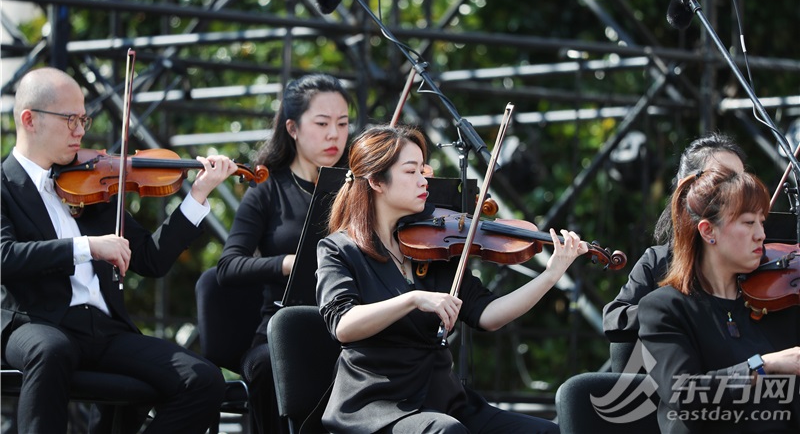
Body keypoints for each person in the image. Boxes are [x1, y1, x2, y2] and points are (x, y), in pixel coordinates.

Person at [1, 67, 238, 433]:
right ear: (30, 120)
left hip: (104, 329)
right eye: (69, 119)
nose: (80, 130)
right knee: (51, 351)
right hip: (35, 321)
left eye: (83, 118)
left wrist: (198, 195)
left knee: (203, 379)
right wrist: (86, 247)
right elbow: (6, 257)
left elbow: (151, 258)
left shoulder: (90, 179)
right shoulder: (3, 185)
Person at [314, 125, 588, 434]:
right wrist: (412, 299)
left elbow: (487, 315)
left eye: (423, 169)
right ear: (377, 181)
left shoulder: (432, 247)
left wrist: (551, 274)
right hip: (379, 406)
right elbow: (343, 325)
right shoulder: (339, 249)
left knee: (545, 432)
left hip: (445, 400)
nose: (424, 180)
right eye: (411, 171)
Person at [216, 73, 351, 434]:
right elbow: (228, 266)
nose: (334, 135)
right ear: (292, 128)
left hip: (350, 323)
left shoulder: (356, 189)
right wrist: (288, 264)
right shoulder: (266, 192)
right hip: (282, 328)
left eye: (342, 123)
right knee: (266, 367)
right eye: (322, 123)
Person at [638, 167, 800, 433]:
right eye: (749, 223)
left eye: (762, 222)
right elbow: (684, 392)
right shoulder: (665, 308)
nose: (761, 234)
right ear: (708, 231)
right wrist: (764, 365)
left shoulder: (776, 302)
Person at [602, 132, 746, 346]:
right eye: (724, 180)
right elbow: (615, 319)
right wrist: (677, 308)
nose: (739, 191)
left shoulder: (753, 257)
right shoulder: (659, 260)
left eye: (742, 181)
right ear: (686, 187)